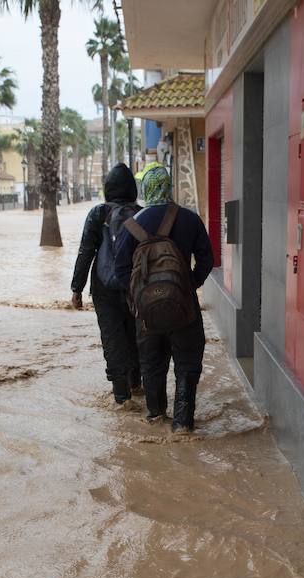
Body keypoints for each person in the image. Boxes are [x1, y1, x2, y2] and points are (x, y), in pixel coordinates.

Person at [111, 165, 214, 433]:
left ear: (145, 189)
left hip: (147, 316)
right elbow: (207, 260)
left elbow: (120, 270)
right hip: (185, 311)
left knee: (152, 366)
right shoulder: (190, 220)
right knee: (187, 365)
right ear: (170, 188)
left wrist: (139, 299)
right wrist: (188, 286)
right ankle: (182, 424)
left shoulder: (132, 226)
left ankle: (155, 417)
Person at [71, 164, 141, 403]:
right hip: (135, 287)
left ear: (107, 189)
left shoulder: (98, 213)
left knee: (112, 339)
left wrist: (76, 289)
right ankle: (138, 386)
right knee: (136, 336)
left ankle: (122, 400)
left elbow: (85, 251)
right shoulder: (142, 214)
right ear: (132, 188)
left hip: (104, 289)